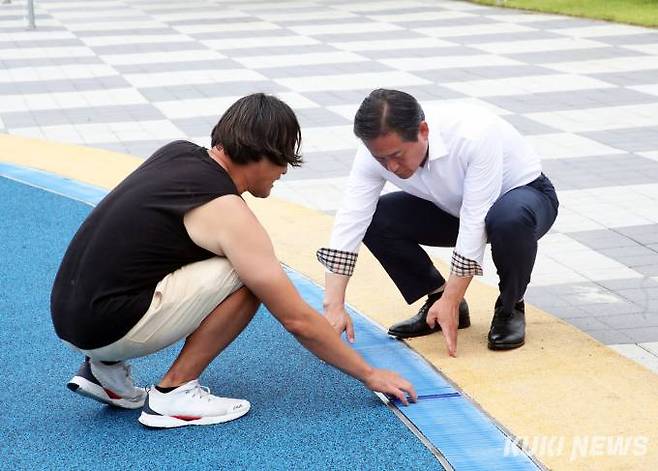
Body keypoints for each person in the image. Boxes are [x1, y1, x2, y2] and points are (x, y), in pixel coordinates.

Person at [51, 93, 416, 429]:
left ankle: (105, 373)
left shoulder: (176, 154)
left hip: (71, 317)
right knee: (248, 272)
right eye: (283, 159)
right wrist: (370, 374)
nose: (284, 172)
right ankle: (174, 393)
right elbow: (295, 319)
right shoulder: (225, 209)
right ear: (262, 153)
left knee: (177, 255)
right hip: (107, 325)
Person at [318, 89, 559, 357]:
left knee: (507, 219)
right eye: (380, 158)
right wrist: (333, 305)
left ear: (423, 130)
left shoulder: (474, 132)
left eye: (397, 155)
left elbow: (475, 220)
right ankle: (435, 296)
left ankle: (510, 306)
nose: (391, 167)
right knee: (375, 217)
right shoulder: (373, 153)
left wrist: (452, 300)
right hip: (452, 208)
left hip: (524, 199)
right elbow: (351, 219)